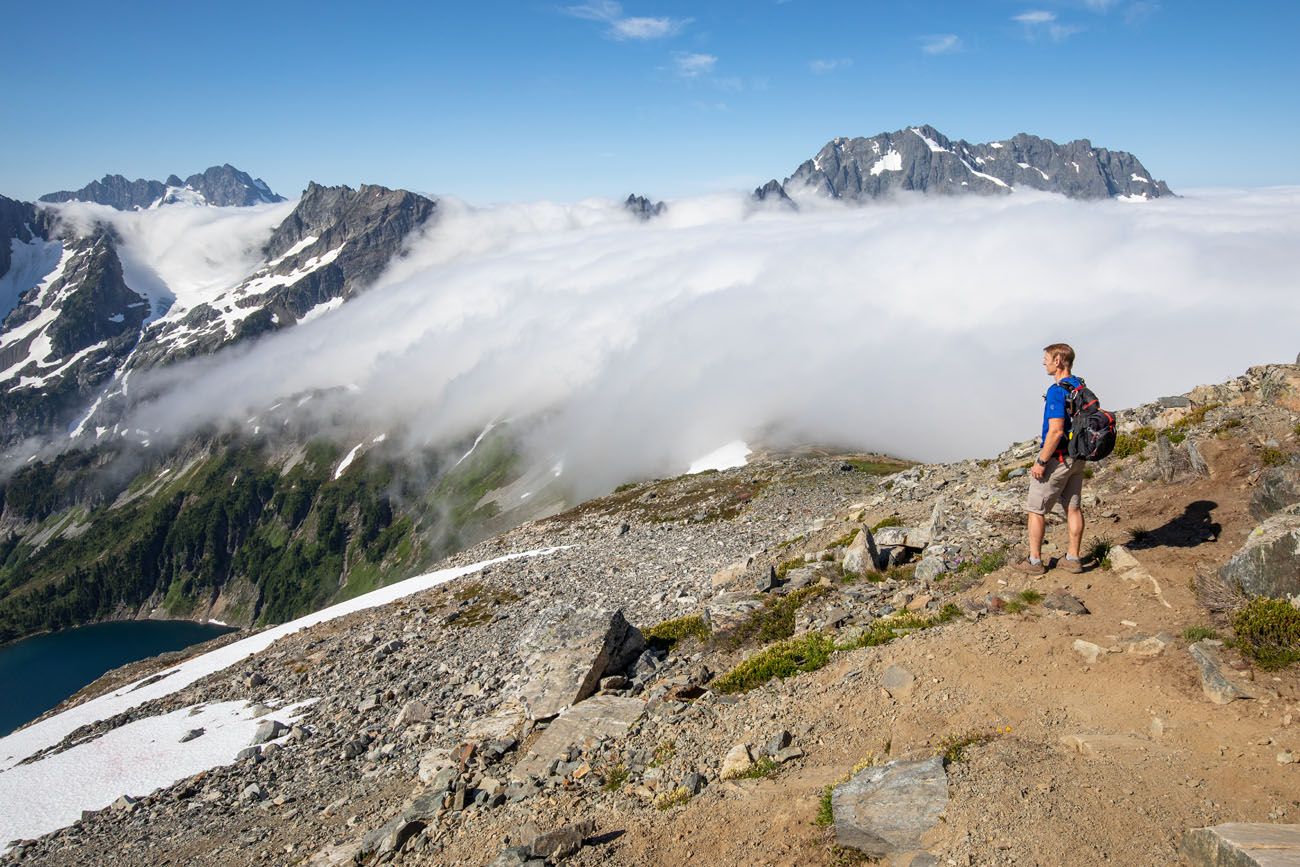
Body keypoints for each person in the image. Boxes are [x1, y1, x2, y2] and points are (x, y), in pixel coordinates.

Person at [1013, 343, 1086, 575]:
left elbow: (1055, 430)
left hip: (1058, 458)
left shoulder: (1056, 390)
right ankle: (1073, 558)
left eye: (1046, 358)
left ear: (1058, 361)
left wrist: (1041, 462)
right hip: (1077, 457)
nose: (1043, 362)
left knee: (1036, 510)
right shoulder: (1079, 385)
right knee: (1073, 508)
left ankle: (1034, 562)